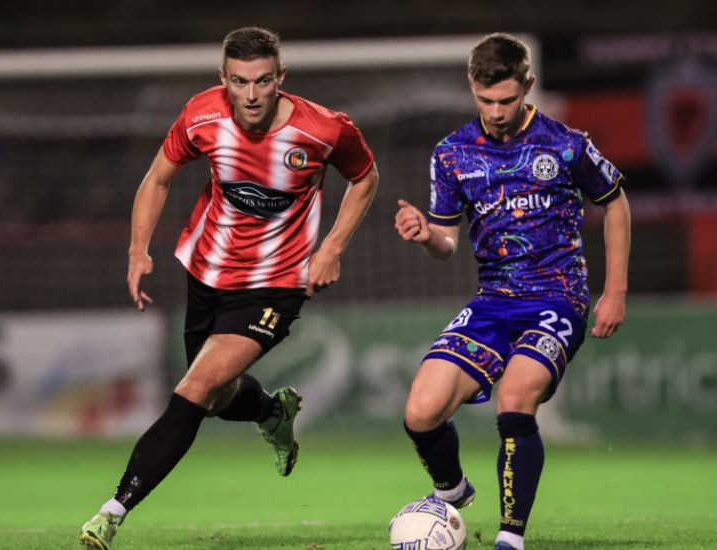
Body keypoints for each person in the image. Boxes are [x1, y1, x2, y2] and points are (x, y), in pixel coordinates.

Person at [78, 26, 378, 549]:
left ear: (281, 77)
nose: (252, 94)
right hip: (206, 272)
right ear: (224, 79)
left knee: (193, 390)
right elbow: (157, 179)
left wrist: (331, 248)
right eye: (240, 82)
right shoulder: (202, 114)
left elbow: (366, 177)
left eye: (263, 81)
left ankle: (111, 512)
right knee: (215, 400)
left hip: (276, 284)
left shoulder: (323, 129)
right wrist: (137, 250)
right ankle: (272, 412)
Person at [394, 33, 630, 550]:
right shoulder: (452, 153)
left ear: (528, 85)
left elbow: (615, 202)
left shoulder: (565, 144)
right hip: (494, 301)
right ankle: (453, 489)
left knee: (516, 397)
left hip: (556, 299)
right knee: (420, 413)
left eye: (507, 100)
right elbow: (447, 244)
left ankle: (510, 538)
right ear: (471, 88)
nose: (497, 112)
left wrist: (615, 291)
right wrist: (425, 234)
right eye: (485, 100)